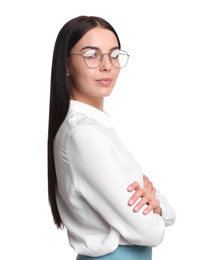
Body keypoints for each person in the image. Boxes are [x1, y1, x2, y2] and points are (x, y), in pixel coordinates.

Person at [48, 16, 176, 260]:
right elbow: (149, 233)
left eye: (114, 54)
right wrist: (156, 214)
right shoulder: (83, 135)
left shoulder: (98, 128)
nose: (107, 65)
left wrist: (156, 206)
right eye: (91, 55)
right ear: (65, 65)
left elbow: (162, 208)